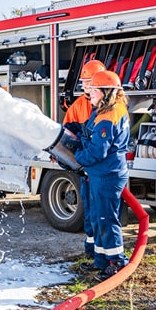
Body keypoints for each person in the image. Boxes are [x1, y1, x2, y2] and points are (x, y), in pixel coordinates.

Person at [73, 69, 131, 281]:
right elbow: (90, 135)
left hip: (107, 175)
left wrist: (78, 155)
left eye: (95, 91)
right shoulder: (106, 110)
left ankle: (116, 262)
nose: (91, 94)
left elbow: (98, 151)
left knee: (106, 219)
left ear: (107, 92)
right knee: (99, 218)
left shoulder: (108, 116)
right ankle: (101, 261)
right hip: (101, 174)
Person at [63, 58, 107, 266]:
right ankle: (92, 251)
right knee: (90, 211)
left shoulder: (108, 109)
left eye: (88, 83)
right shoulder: (79, 106)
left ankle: (104, 256)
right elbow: (67, 136)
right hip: (86, 170)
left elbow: (100, 146)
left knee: (103, 215)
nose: (85, 87)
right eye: (84, 83)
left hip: (98, 170)